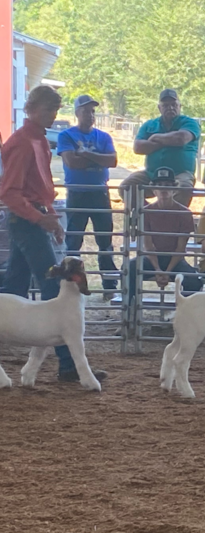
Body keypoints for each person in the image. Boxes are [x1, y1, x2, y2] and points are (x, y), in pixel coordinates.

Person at [0, 85, 106, 383]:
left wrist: (49, 217)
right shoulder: (23, 143)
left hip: (31, 219)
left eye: (55, 110)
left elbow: (33, 189)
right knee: (54, 282)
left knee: (14, 287)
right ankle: (69, 365)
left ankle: (36, 367)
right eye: (48, 109)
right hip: (27, 220)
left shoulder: (37, 140)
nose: (53, 115)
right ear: (32, 109)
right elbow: (10, 193)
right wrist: (41, 218)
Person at [57, 95, 119, 300]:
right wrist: (97, 159)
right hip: (77, 193)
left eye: (92, 111)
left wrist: (85, 154)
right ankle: (70, 286)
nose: (90, 115)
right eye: (85, 111)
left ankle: (109, 284)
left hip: (99, 192)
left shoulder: (104, 137)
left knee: (105, 241)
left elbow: (112, 161)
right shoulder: (66, 135)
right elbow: (72, 162)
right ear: (77, 113)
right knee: (73, 241)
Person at [127, 167, 203, 306]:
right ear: (154, 190)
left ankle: (184, 314)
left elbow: (181, 248)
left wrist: (167, 271)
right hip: (151, 258)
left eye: (168, 186)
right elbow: (148, 245)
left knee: (193, 281)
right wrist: (157, 269)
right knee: (130, 269)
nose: (164, 190)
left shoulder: (184, 213)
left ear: (174, 189)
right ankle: (130, 312)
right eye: (160, 186)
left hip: (175, 259)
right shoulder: (146, 212)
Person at [119, 89, 201, 209]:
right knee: (126, 187)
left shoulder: (189, 123)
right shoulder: (149, 124)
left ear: (180, 106)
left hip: (180, 174)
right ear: (159, 108)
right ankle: (149, 215)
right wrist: (168, 141)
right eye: (166, 105)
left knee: (184, 188)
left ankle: (172, 221)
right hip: (151, 174)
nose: (170, 108)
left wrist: (155, 138)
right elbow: (138, 147)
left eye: (174, 104)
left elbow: (181, 139)